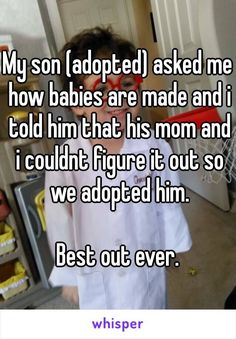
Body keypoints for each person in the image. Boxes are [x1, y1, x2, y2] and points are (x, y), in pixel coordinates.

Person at [45, 27, 192, 309]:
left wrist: (173, 244)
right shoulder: (66, 159)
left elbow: (168, 199)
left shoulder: (153, 147)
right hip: (99, 277)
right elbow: (59, 219)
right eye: (100, 89)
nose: (116, 99)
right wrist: (69, 275)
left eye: (126, 85)